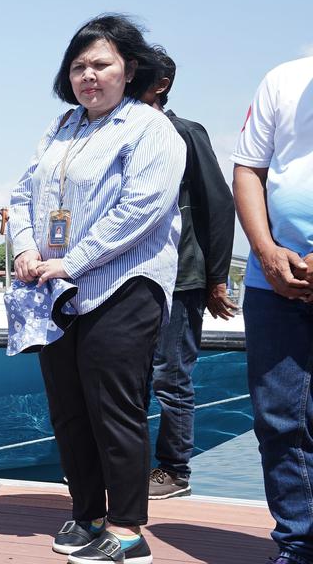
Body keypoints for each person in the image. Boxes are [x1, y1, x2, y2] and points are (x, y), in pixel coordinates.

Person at [7, 15, 184, 564]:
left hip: (123, 286)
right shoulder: (60, 127)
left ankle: (128, 527)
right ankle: (87, 513)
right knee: (67, 408)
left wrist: (74, 261)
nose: (89, 75)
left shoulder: (150, 128)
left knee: (115, 407)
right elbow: (20, 194)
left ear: (129, 69)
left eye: (101, 64)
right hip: (56, 291)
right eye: (79, 66)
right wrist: (25, 249)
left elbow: (143, 207)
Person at [138, 50, 237, 499]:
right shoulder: (115, 132)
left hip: (181, 278)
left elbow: (219, 205)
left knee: (170, 375)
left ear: (161, 83)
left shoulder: (184, 132)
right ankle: (125, 468)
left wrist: (216, 277)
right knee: (128, 378)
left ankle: (174, 471)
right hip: (130, 279)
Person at [231, 55, 313, 564]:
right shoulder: (283, 80)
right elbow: (249, 170)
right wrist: (263, 250)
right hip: (273, 281)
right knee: (279, 419)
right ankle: (297, 543)